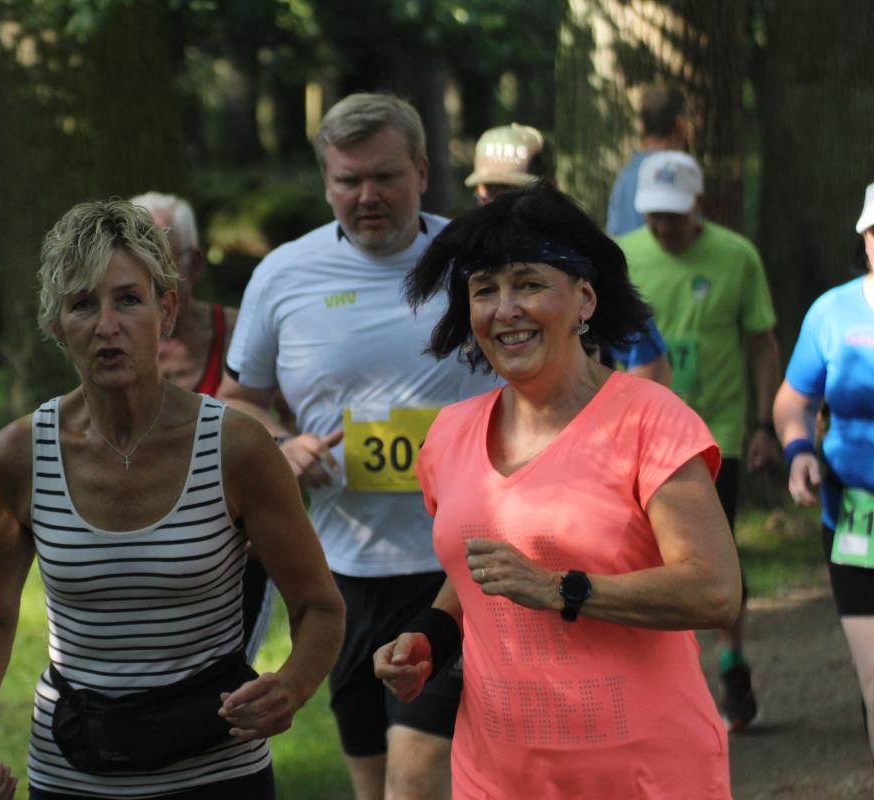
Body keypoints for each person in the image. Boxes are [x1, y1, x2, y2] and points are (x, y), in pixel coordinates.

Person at [0, 200, 344, 800]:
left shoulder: (236, 447)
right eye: (83, 304)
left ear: (167, 310)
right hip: (72, 770)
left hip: (218, 772)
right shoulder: (19, 456)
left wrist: (293, 684)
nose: (106, 325)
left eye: (128, 300)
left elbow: (319, 605)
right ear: (57, 326)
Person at [375, 184, 742, 798]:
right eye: (484, 290)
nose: (505, 309)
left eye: (528, 284)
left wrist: (559, 589)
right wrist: (430, 636)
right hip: (497, 776)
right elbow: (479, 569)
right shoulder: (448, 436)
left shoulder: (649, 420)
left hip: (645, 776)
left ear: (584, 299)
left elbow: (714, 591)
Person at [218, 93, 500, 800]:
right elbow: (238, 399)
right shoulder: (283, 274)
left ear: (422, 171)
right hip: (338, 572)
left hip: (455, 564)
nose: (367, 196)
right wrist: (282, 445)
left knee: (415, 780)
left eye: (385, 176)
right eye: (349, 180)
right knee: (371, 785)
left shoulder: (475, 262)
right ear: (326, 181)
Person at [618, 149, 781, 731]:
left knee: (716, 553)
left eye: (673, 214)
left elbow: (761, 344)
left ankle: (732, 659)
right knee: (646, 558)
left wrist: (765, 425)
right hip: (635, 437)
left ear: (700, 205)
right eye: (653, 214)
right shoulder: (620, 257)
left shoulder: (736, 256)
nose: (662, 226)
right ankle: (670, 675)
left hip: (716, 434)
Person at [129, 191, 275, 665]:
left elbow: (284, 432)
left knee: (220, 686)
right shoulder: (109, 344)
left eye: (156, 254)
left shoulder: (240, 336)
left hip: (233, 558)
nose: (140, 272)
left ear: (191, 264)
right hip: (130, 550)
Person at [773, 181, 874, 758]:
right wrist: (799, 451)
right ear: (864, 238)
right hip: (856, 513)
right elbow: (795, 401)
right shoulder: (832, 313)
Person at [466, 123, 671, 387]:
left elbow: (650, 366)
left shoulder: (586, 265)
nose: (501, 210)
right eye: (491, 195)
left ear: (551, 191)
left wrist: (613, 413)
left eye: (514, 196)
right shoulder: (461, 265)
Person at [606, 84, 688, 238]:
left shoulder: (624, 178)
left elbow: (614, 236)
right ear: (680, 123)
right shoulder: (680, 175)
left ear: (643, 125)